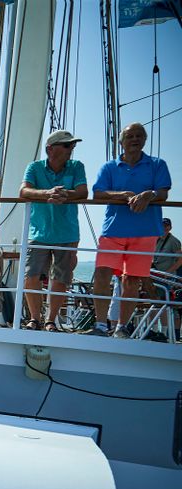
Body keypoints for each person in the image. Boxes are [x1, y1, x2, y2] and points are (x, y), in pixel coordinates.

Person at [83, 123, 172, 338]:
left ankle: (121, 327)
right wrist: (122, 195)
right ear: (121, 142)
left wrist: (148, 194)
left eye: (139, 135)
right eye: (130, 136)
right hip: (113, 230)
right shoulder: (109, 167)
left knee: (131, 280)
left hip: (145, 231)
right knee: (102, 274)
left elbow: (163, 192)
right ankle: (102, 325)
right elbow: (98, 194)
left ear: (144, 140)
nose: (135, 139)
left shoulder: (157, 164)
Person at [18, 129, 88, 332]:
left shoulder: (76, 166)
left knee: (61, 279)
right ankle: (34, 318)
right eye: (67, 145)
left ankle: (50, 320)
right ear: (51, 149)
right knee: (31, 277)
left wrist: (64, 194)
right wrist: (47, 193)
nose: (71, 149)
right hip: (39, 233)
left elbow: (83, 192)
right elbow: (23, 191)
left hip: (67, 233)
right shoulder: (34, 167)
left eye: (72, 145)